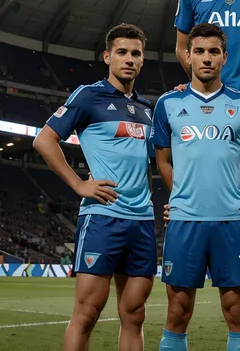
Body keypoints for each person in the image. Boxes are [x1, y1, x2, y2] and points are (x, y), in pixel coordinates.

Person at [33, 23, 156, 351]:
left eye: (135, 53)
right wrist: (77, 184)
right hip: (103, 217)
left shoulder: (147, 110)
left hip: (142, 221)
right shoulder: (89, 95)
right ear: (107, 57)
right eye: (121, 52)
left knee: (134, 314)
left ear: (142, 60)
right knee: (87, 312)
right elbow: (44, 139)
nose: (129, 59)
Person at [152, 23, 240, 351]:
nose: (206, 58)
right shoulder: (167, 104)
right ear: (188, 56)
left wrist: (234, 196)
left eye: (214, 52)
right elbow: (163, 161)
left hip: (231, 222)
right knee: (177, 312)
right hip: (184, 222)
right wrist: (181, 194)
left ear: (225, 57)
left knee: (237, 312)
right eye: (199, 51)